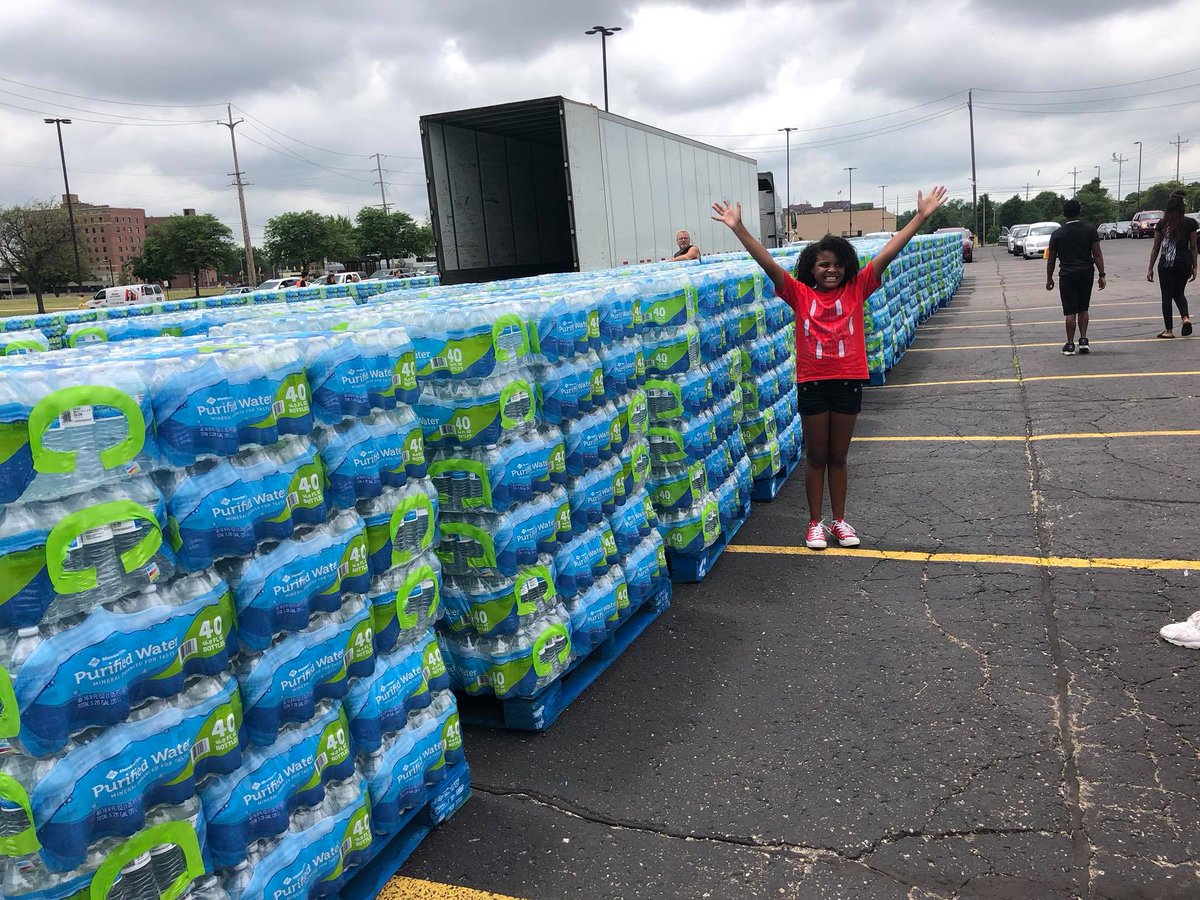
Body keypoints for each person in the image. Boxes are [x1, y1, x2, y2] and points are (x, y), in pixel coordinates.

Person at [711, 185, 948, 550]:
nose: (831, 270)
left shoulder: (857, 288)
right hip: (813, 384)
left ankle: (839, 521)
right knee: (816, 456)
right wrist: (738, 228)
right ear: (812, 268)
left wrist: (920, 217)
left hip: (848, 382)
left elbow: (888, 252)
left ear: (846, 267)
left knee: (839, 456)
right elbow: (768, 263)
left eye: (837, 264)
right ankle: (814, 524)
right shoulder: (798, 293)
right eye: (824, 265)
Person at [1045, 199, 1105, 356]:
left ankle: (1070, 344)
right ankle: (1083, 340)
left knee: (1070, 311)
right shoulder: (1090, 230)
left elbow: (1051, 259)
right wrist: (1102, 274)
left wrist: (1049, 278)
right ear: (1079, 212)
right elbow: (1097, 253)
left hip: (1067, 274)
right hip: (1086, 272)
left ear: (1065, 214)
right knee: (1083, 308)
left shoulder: (1057, 234)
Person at [1146, 190, 1198, 338]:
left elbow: (1156, 247)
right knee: (1179, 293)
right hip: (1184, 262)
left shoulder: (1162, 223)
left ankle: (1169, 331)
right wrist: (1195, 266)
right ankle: (1185, 318)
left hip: (1166, 263)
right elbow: (1193, 247)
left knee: (1167, 296)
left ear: (1168, 208)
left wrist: (1150, 268)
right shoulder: (1191, 223)